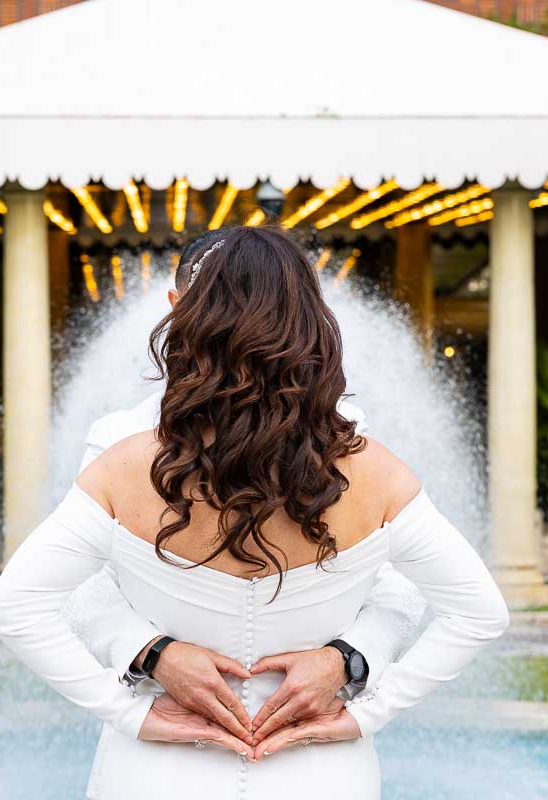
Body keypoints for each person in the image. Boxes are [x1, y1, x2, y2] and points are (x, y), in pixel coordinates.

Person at [0, 226, 510, 799]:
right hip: (320, 766)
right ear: (311, 323)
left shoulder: (122, 465)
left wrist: (350, 660)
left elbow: (16, 606)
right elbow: (478, 611)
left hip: (158, 765)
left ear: (186, 319)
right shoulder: (372, 468)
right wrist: (152, 654)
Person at [58, 228, 427, 750]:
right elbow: (78, 584)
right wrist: (151, 652)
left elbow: (399, 577)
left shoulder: (349, 439)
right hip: (162, 732)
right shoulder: (116, 440)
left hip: (312, 739)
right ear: (175, 307)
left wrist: (348, 657)